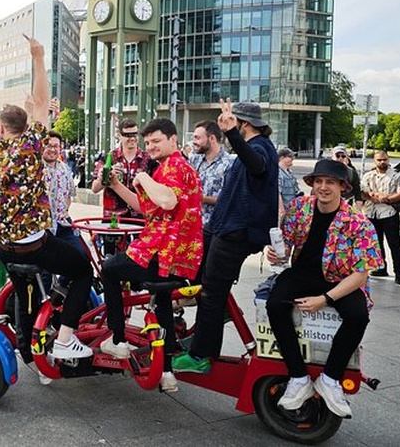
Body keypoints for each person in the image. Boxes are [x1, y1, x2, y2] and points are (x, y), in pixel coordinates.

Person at [0, 36, 94, 361]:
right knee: (84, 270)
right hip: (34, 243)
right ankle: (66, 338)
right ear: (21, 128)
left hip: (5, 245)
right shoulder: (27, 148)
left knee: (25, 293)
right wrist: (38, 57)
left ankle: (27, 352)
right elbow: (42, 103)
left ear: (0, 129)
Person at [264, 159, 382, 418]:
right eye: (318, 181)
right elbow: (286, 245)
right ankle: (298, 376)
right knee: (274, 304)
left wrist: (324, 299)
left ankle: (330, 379)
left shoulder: (358, 222)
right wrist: (276, 254)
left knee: (358, 316)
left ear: (342, 187)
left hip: (342, 280)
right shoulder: (299, 208)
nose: (323, 187)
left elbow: (361, 274)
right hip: (303, 273)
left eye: (330, 182)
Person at [173, 99, 278, 374]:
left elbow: (256, 165)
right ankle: (209, 324)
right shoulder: (253, 148)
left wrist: (231, 133)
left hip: (235, 232)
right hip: (223, 228)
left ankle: (201, 356)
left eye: (235, 124)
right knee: (201, 276)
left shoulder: (260, 147)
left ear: (244, 124)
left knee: (211, 292)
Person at [99, 118, 203, 393]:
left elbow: (167, 200)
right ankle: (167, 372)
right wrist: (117, 186)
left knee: (109, 268)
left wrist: (142, 177)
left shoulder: (172, 167)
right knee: (163, 301)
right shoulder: (175, 168)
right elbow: (149, 208)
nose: (151, 146)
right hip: (179, 260)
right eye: (148, 143)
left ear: (173, 140)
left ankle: (119, 339)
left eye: (156, 141)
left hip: (161, 253)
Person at [188, 120, 234, 283]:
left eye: (197, 137)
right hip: (193, 229)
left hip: (215, 232)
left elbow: (230, 200)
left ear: (212, 138)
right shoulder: (194, 160)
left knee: (212, 280)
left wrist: (201, 198)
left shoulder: (230, 163)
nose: (194, 142)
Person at [360, 150, 400, 285]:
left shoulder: (397, 175)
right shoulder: (368, 175)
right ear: (374, 161)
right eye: (379, 160)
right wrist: (371, 195)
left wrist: (385, 198)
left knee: (394, 244)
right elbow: (362, 192)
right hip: (371, 213)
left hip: (389, 213)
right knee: (376, 243)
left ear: (388, 160)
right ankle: (381, 268)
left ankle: (399, 273)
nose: (382, 162)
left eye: (384, 159)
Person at [90, 118, 150, 220]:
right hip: (113, 219)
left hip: (140, 220)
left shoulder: (148, 160)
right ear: (119, 136)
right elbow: (94, 188)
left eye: (134, 134)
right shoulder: (108, 157)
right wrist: (104, 176)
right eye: (127, 135)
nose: (132, 138)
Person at [42, 130, 82, 253]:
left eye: (56, 146)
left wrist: (63, 211)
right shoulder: (36, 169)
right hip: (43, 227)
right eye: (48, 146)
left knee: (81, 255)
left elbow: (69, 196)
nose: (52, 149)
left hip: (63, 222)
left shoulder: (64, 168)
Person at [277, 147, 301, 218]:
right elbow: (277, 193)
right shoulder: (278, 173)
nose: (293, 158)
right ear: (281, 158)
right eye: (290, 156)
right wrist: (282, 210)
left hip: (292, 209)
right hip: (284, 210)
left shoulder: (290, 172)